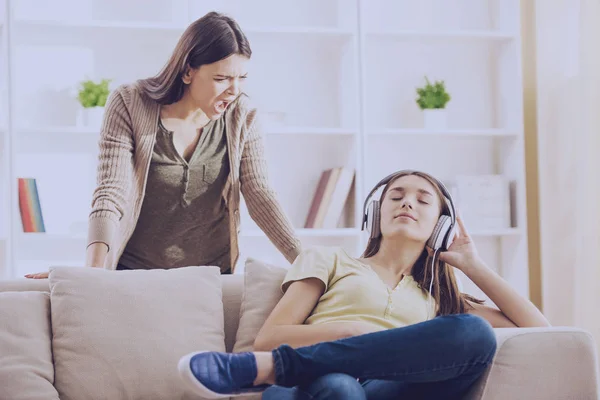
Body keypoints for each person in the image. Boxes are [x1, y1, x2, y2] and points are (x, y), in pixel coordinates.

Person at [176, 170, 551, 400]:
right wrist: (350, 331)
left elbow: (539, 332)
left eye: (423, 200)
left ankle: (271, 368)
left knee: (473, 332)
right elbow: (268, 338)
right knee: (341, 388)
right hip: (317, 383)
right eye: (397, 195)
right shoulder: (329, 259)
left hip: (392, 388)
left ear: (440, 226)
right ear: (375, 213)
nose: (408, 203)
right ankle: (281, 369)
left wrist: (474, 265)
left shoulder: (438, 297)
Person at [26, 11, 302, 279]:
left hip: (211, 278)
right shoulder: (130, 103)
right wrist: (93, 272)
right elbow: (111, 193)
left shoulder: (243, 115)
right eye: (221, 79)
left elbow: (260, 193)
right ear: (187, 72)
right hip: (134, 275)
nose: (234, 90)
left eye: (241, 78)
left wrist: (309, 264)